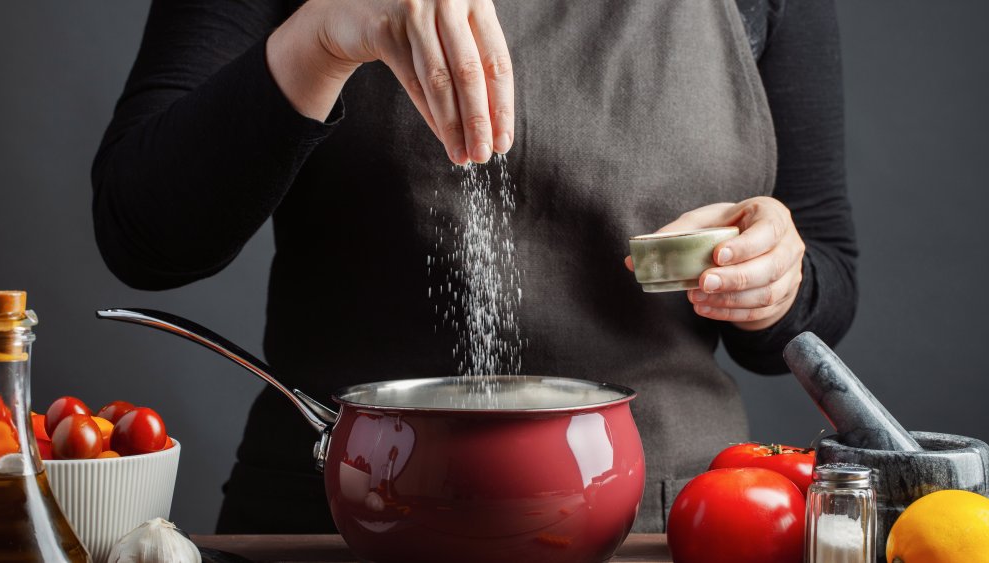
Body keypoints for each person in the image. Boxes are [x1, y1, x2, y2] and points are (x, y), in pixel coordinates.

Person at [92, 0, 856, 533]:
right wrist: (320, 37)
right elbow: (143, 236)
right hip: (341, 518)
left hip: (659, 524)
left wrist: (774, 276)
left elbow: (826, 274)